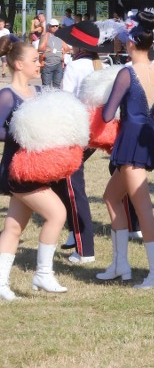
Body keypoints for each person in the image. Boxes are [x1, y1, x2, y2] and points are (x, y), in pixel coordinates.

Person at [95, 11, 154, 289]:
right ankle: (121, 265)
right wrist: (149, 112)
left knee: (143, 208)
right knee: (111, 197)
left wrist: (126, 112)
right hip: (145, 136)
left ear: (131, 43)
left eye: (124, 41)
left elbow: (108, 115)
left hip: (131, 140)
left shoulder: (126, 73)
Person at [0, 36, 69, 300]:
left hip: (38, 169)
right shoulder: (7, 95)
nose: (39, 65)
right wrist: (21, 130)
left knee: (14, 227)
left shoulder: (39, 93)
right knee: (57, 214)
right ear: (18, 65)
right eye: (34, 61)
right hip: (18, 171)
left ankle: (1, 283)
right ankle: (42, 273)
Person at [54, 20, 116, 264]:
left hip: (76, 131)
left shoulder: (75, 67)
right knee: (62, 182)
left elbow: (66, 101)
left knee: (72, 186)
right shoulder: (101, 64)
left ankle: (84, 247)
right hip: (97, 131)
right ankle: (73, 232)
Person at [38, 18, 70, 88]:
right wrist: (45, 49)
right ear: (49, 27)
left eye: (57, 26)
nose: (55, 27)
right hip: (47, 65)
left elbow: (67, 48)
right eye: (53, 26)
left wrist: (64, 51)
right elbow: (39, 49)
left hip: (58, 65)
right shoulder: (45, 36)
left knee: (57, 87)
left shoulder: (60, 36)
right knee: (46, 87)